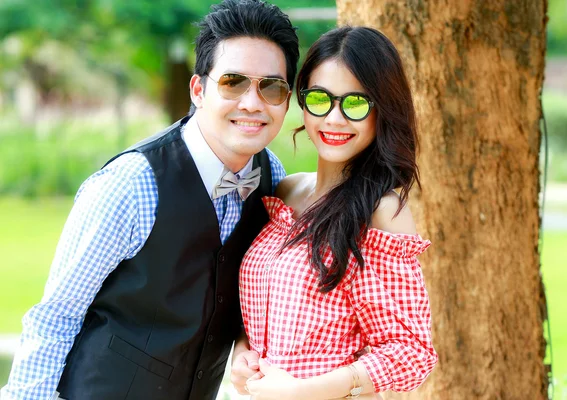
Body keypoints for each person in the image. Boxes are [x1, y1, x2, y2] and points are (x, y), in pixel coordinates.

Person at [1, 1, 299, 399]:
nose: (252, 102)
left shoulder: (271, 176)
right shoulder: (131, 184)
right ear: (198, 89)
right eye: (233, 82)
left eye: (271, 87)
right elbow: (55, 316)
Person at [230, 26, 438, 399]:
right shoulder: (286, 190)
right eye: (321, 99)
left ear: (382, 110)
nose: (335, 119)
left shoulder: (381, 211)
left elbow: (411, 352)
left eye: (355, 103)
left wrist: (304, 390)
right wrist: (244, 351)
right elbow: (271, 304)